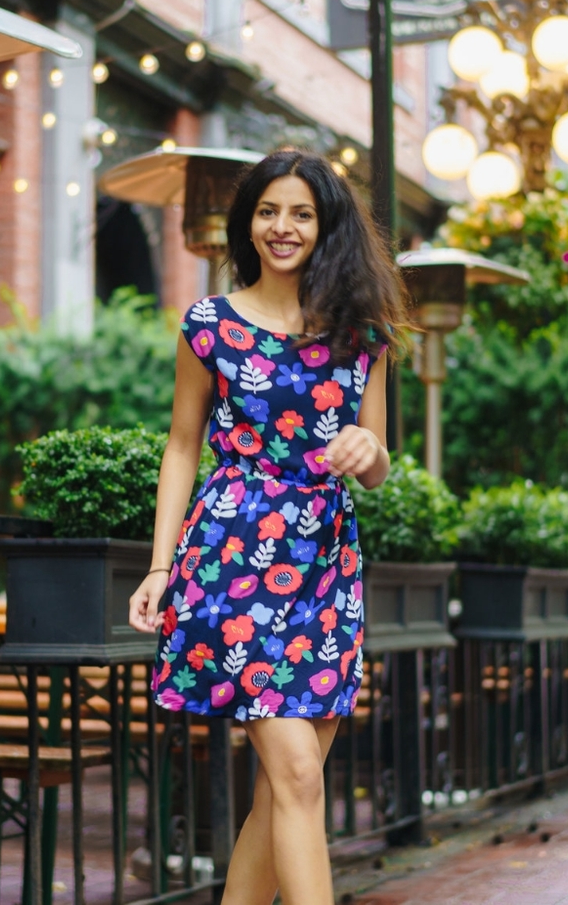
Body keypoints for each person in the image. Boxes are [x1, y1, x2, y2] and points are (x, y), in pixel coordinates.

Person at [128, 149, 408, 905]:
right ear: (247, 223)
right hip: (232, 558)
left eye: (302, 214)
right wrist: (159, 567)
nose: (283, 227)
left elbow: (378, 463)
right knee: (297, 775)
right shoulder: (210, 325)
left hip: (325, 567)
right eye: (268, 211)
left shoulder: (364, 334)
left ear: (326, 227)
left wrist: (369, 450)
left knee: (285, 788)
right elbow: (182, 445)